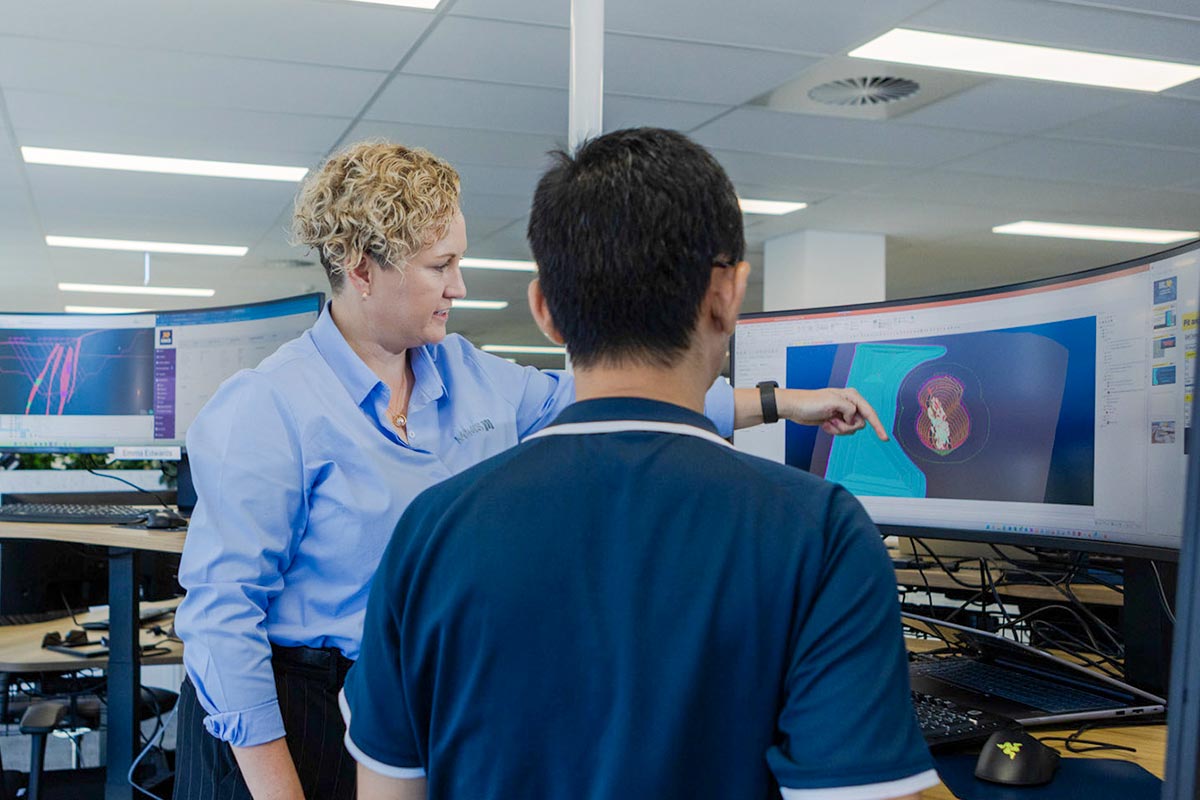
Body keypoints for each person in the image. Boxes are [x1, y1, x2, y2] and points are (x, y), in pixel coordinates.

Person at [172, 139, 887, 800]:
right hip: (289, 717)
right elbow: (221, 623)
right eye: (438, 266)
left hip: (412, 695)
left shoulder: (464, 373)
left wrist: (782, 402)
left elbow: (616, 389)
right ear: (361, 269)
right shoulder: (269, 407)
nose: (459, 285)